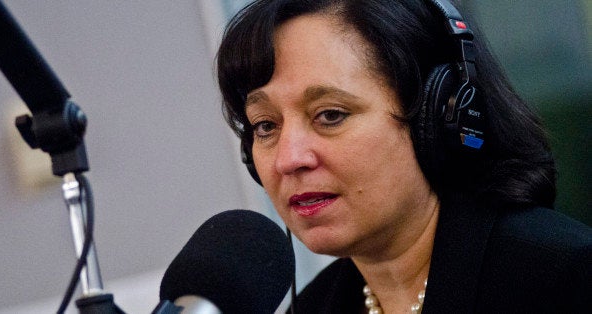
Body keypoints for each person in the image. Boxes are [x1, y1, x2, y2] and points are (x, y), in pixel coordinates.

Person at [216, 0, 591, 313]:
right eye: (265, 125)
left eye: (330, 115)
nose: (288, 159)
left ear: (438, 117)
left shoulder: (565, 279)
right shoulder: (316, 307)